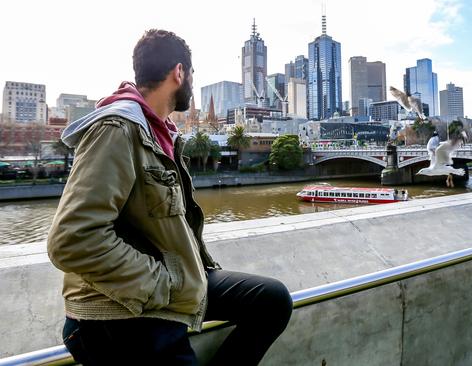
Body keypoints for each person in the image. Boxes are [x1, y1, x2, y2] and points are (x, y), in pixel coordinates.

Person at [47, 29, 292, 366]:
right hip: (119, 312)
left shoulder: (160, 133)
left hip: (171, 283)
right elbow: (72, 240)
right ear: (179, 72)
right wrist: (167, 284)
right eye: (191, 73)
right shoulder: (117, 130)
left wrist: (187, 276)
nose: (191, 81)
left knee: (272, 302)